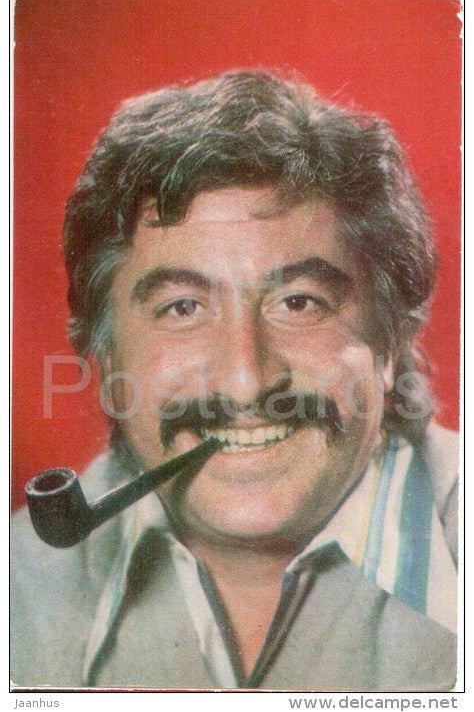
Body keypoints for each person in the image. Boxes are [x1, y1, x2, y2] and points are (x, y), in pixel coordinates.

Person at [11, 69, 458, 690]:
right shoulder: (19, 586)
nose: (247, 383)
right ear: (106, 361)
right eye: (182, 308)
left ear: (390, 343)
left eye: (298, 302)